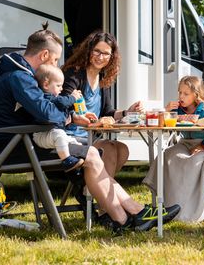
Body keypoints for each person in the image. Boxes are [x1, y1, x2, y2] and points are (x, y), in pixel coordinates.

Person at [0, 29, 180, 233]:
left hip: (20, 141)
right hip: (12, 147)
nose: (54, 66)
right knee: (93, 154)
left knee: (97, 153)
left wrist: (62, 115)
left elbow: (47, 110)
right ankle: (130, 216)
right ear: (44, 56)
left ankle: (127, 217)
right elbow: (48, 113)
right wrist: (69, 117)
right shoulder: (20, 77)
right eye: (54, 60)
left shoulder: (19, 73)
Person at [61, 31, 143, 177]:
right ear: (88, 50)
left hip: (92, 136)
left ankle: (89, 189)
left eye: (106, 53)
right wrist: (85, 120)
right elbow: (63, 107)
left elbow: (107, 112)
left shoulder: (103, 79)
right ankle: (100, 195)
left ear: (112, 57)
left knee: (123, 149)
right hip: (71, 136)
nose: (100, 57)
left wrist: (126, 112)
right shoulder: (74, 74)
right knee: (108, 148)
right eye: (97, 51)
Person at [143, 75, 204, 223]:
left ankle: (190, 205)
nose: (181, 96)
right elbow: (163, 124)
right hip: (185, 143)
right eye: (180, 92)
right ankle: (166, 200)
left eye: (186, 94)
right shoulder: (178, 110)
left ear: (196, 95)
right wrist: (165, 111)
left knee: (194, 162)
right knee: (168, 154)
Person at [32, 64, 84, 172]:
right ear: (46, 85)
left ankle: (83, 158)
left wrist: (68, 117)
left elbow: (62, 107)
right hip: (41, 135)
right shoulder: (46, 96)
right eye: (58, 85)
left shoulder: (53, 97)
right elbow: (62, 102)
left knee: (72, 140)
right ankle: (67, 160)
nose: (62, 89)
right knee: (60, 135)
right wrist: (73, 97)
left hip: (50, 134)